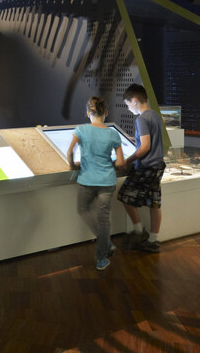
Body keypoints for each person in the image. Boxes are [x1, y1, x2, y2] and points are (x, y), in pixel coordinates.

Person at [68, 96, 125, 271]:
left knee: (83, 209)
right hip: (107, 181)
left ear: (88, 113)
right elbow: (121, 162)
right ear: (106, 112)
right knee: (103, 220)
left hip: (86, 180)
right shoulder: (113, 134)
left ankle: (107, 243)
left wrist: (73, 166)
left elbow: (70, 152)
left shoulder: (81, 130)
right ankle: (101, 259)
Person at [118, 84, 166, 253]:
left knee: (124, 195)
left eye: (127, 104)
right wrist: (134, 138)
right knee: (154, 202)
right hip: (158, 165)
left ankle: (138, 231)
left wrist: (127, 161)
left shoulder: (141, 119)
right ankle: (153, 240)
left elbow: (145, 146)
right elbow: (149, 139)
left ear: (134, 100)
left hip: (146, 167)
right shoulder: (154, 115)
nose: (128, 108)